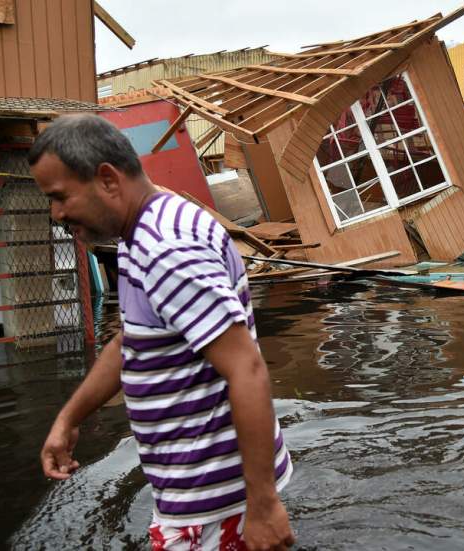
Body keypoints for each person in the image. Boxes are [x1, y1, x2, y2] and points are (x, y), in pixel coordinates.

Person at [31, 114, 294, 551]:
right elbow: (130, 341)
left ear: (108, 179)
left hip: (212, 501)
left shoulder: (166, 252)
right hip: (201, 490)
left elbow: (247, 369)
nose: (57, 214)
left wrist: (262, 506)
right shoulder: (144, 232)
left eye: (60, 197)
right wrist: (69, 418)